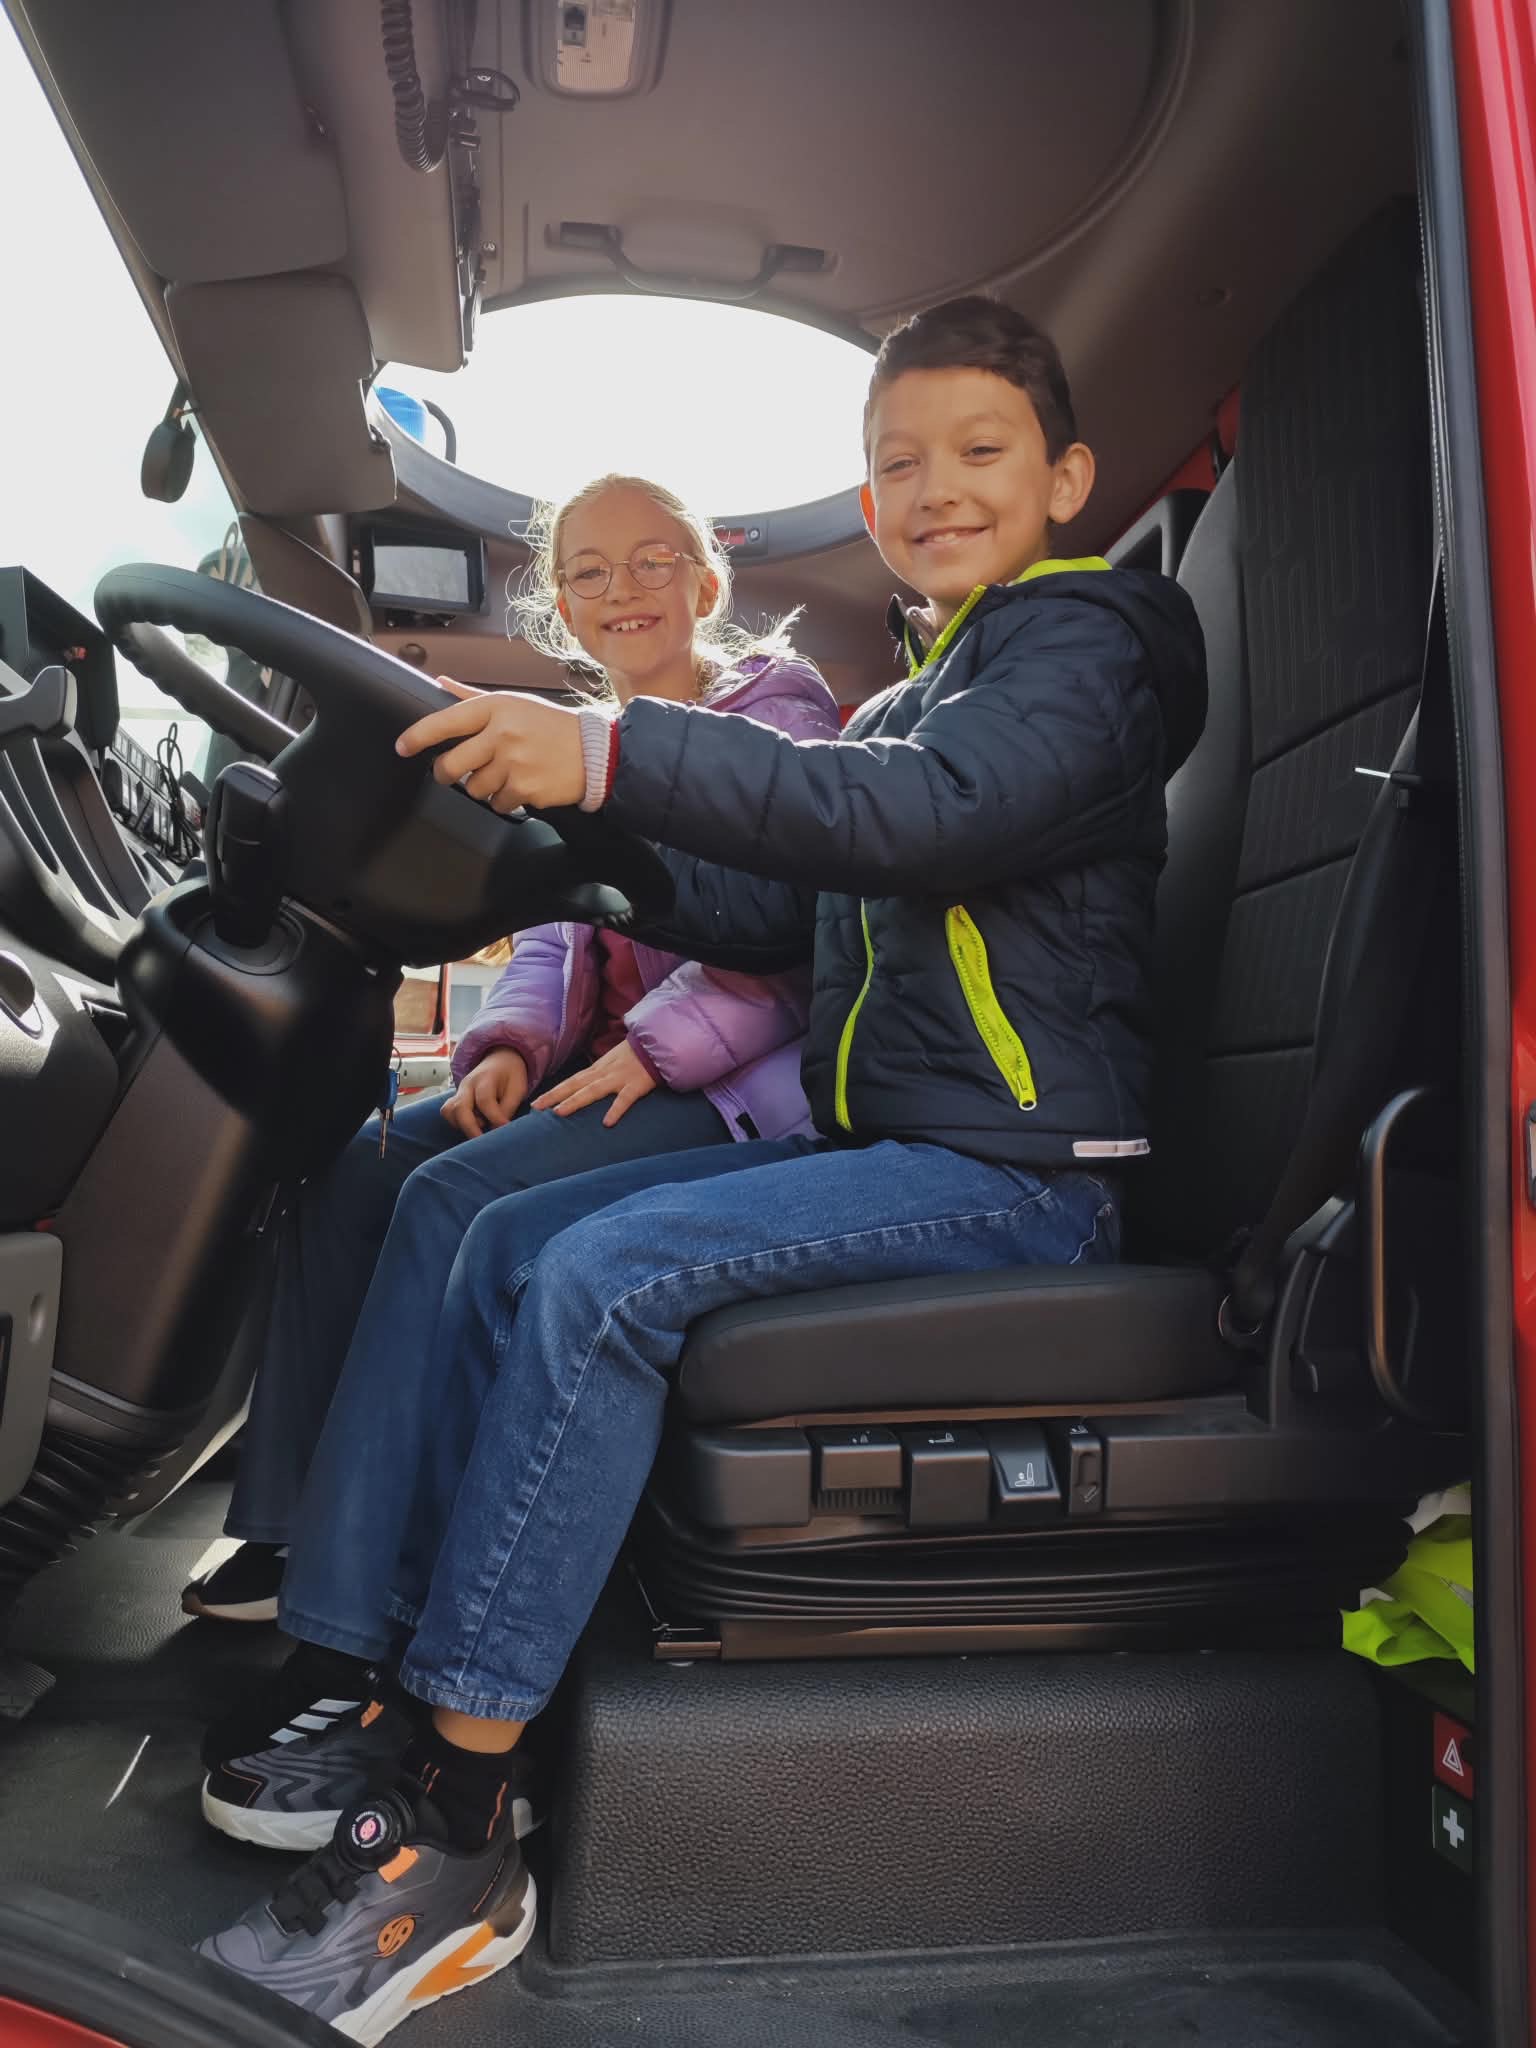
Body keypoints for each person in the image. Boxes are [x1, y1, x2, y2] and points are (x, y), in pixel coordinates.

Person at [195, 297, 1207, 2040]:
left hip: (1028, 1173)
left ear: (1067, 477)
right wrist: (582, 837)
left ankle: (460, 1822)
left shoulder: (1093, 647)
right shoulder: (926, 685)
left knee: (600, 1279)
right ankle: (405, 1677)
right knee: (504, 1240)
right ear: (866, 502)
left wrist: (614, 752)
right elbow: (788, 901)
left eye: (978, 451)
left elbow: (924, 812)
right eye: (899, 463)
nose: (936, 489)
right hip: (913, 1144)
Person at [181, 473, 836, 1628]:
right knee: (356, 1169)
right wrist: (509, 1047)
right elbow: (551, 930)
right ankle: (280, 1523)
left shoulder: (779, 713)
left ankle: (367, 1581)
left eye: (652, 560)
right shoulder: (566, 745)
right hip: (595, 1067)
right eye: (589, 571)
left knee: (448, 1198)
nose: (623, 587)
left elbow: (801, 924)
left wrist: (661, 1047)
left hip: (733, 1087)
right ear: (563, 610)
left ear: (705, 584)